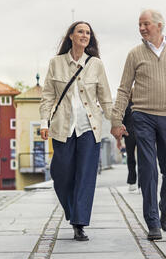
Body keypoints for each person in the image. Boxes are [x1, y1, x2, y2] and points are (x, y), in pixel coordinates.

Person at [111, 9, 166, 241]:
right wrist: (116, 120)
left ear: (159, 25)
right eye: (139, 24)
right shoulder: (134, 54)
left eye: (146, 24)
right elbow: (123, 89)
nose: (141, 28)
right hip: (142, 116)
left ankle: (165, 207)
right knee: (148, 169)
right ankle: (152, 221)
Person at [40, 21, 113, 241]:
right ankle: (72, 212)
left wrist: (117, 123)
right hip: (63, 128)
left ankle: (79, 223)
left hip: (89, 129)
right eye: (80, 31)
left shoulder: (96, 65)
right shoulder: (56, 63)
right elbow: (47, 97)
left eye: (88, 33)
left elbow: (105, 99)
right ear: (71, 35)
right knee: (60, 174)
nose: (84, 35)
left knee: (85, 176)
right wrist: (44, 123)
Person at [123, 101, 138, 192]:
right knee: (143, 158)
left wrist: (119, 140)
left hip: (129, 134)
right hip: (141, 133)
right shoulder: (140, 104)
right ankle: (141, 183)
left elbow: (123, 122)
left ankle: (132, 182)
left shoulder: (126, 106)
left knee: (130, 158)